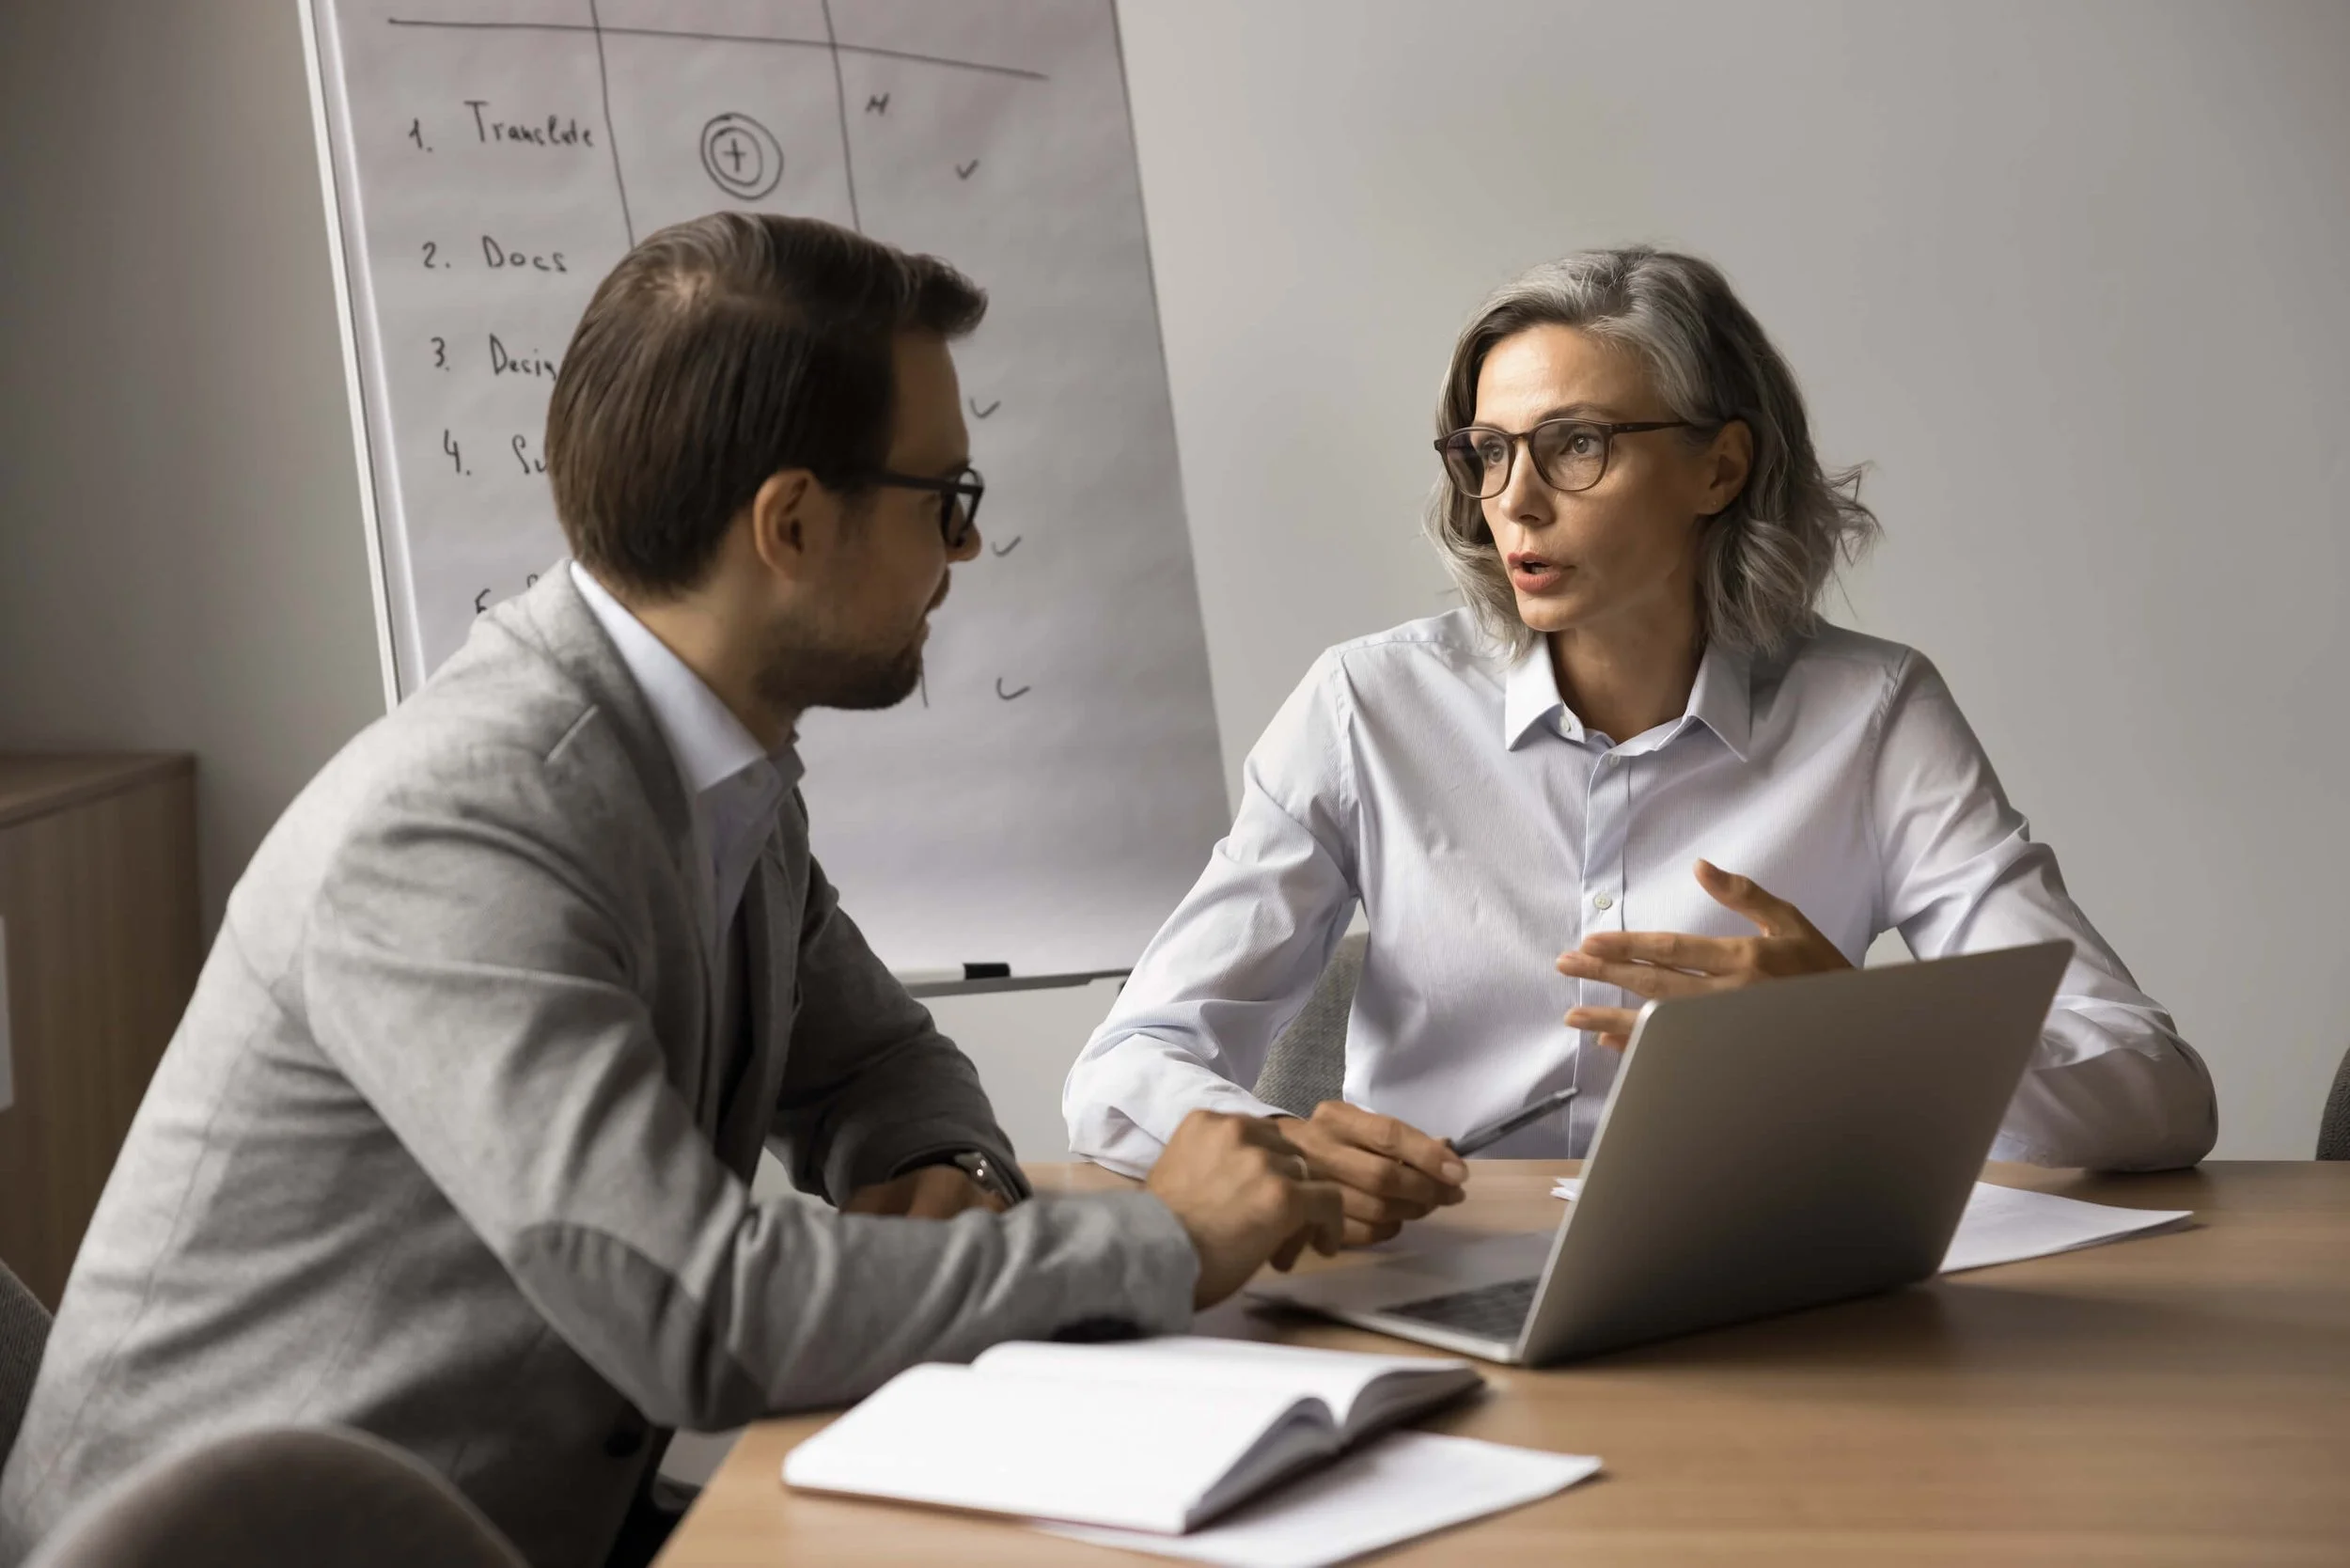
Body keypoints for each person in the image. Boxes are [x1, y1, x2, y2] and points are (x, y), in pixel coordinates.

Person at [0, 213, 1343, 1568]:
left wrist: (937, 1165)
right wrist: (1158, 1242)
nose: (968, 547)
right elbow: (698, 1311)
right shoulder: (462, 826)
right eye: (949, 498)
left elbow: (877, 1056)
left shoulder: (710, 763)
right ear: (794, 524)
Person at [1063, 246, 2217, 1243]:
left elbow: (2158, 1096)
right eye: (1485, 450)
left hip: (1754, 1269)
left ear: (1720, 466)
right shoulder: (1366, 704)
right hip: (1442, 1255)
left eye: (1573, 446)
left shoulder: (1870, 715)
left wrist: (1861, 1046)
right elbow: (1124, 1069)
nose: (1510, 501)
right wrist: (1281, 1148)